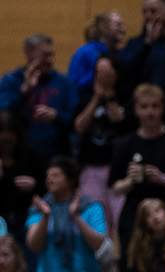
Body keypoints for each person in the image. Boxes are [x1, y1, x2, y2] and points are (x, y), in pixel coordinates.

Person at [110, 82, 165, 241]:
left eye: (154, 106)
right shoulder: (126, 144)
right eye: (144, 107)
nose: (149, 112)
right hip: (135, 218)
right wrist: (129, 181)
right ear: (136, 109)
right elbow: (115, 188)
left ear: (162, 107)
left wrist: (162, 178)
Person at [25, 159, 108, 272]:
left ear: (70, 180)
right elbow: (33, 245)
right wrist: (45, 218)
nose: (50, 179)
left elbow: (98, 243)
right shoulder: (39, 208)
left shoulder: (91, 207)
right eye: (48, 176)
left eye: (56, 175)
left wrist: (76, 217)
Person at [1, 35, 77, 162]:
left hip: (56, 155)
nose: (50, 60)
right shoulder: (11, 81)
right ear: (29, 53)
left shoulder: (65, 83)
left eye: (52, 55)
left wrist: (57, 116)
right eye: (45, 55)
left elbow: (76, 122)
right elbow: (5, 118)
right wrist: (24, 92)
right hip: (21, 156)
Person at [71, 56, 126, 211]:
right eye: (99, 71)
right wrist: (97, 97)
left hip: (118, 168)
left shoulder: (125, 97)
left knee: (119, 215)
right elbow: (79, 126)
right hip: (92, 167)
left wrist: (109, 95)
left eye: (106, 71)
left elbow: (120, 122)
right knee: (94, 216)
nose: (102, 75)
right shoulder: (86, 98)